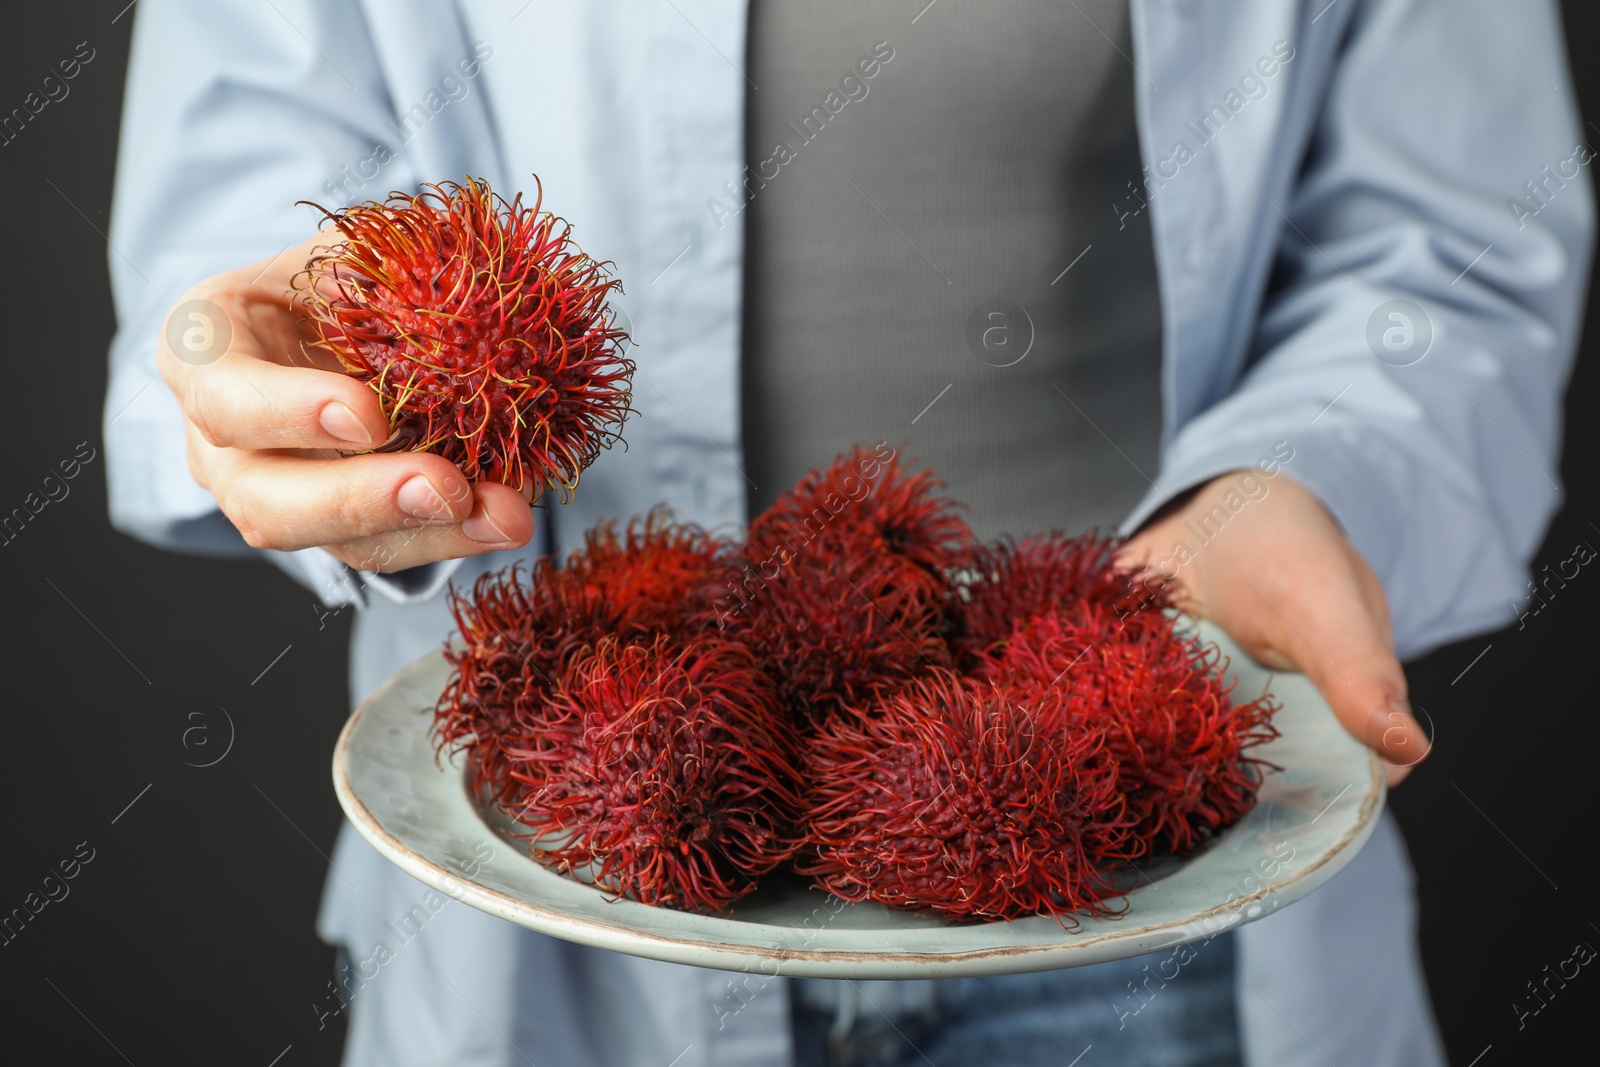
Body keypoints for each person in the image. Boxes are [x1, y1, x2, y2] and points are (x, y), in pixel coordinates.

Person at [104, 1, 1590, 1064]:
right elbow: (221, 259)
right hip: (561, 915)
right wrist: (287, 389)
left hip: (1151, 928)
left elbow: (1455, 239)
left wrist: (1297, 479)